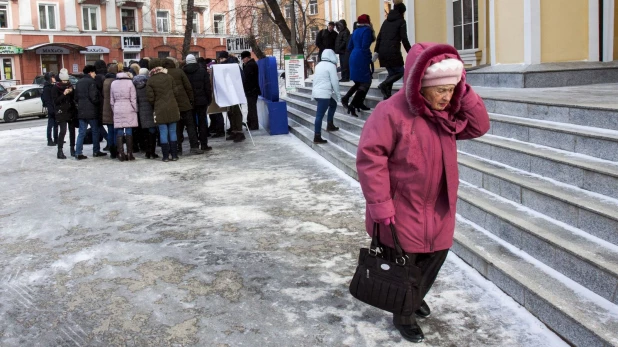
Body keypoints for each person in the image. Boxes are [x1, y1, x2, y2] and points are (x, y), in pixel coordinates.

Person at [356, 43, 490, 343]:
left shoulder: (448, 113)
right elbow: (370, 158)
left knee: (436, 254)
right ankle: (404, 313)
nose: (447, 96)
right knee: (406, 262)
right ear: (421, 85)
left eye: (452, 88)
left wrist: (464, 93)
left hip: (439, 206)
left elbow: (480, 126)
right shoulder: (390, 112)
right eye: (440, 89)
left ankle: (412, 297)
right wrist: (380, 204)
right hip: (402, 208)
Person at [163, 58, 203, 155]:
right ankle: (194, 146)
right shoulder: (180, 72)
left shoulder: (164, 74)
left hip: (172, 104)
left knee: (176, 127)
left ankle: (177, 147)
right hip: (185, 103)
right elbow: (188, 87)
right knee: (190, 126)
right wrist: (191, 100)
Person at [375, 0, 411, 100]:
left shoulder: (386, 21)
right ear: (402, 12)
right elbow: (404, 39)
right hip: (393, 51)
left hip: (383, 52)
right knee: (400, 72)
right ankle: (384, 84)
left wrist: (376, 51)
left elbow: (379, 37)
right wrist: (411, 52)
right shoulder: (401, 22)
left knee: (391, 73)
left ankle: (387, 97)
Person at [147, 58, 181, 162]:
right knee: (172, 131)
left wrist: (157, 103)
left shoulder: (150, 80)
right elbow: (176, 92)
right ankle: (174, 155)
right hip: (172, 107)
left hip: (159, 108)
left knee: (163, 132)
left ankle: (165, 156)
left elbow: (150, 98)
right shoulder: (169, 77)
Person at [343, 14, 375, 117]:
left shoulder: (355, 31)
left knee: (359, 82)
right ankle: (353, 104)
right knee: (366, 81)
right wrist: (369, 58)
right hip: (362, 57)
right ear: (367, 21)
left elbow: (349, 46)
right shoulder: (367, 30)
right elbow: (365, 46)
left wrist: (356, 53)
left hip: (353, 56)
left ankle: (349, 99)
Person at [74, 66, 107, 160]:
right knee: (95, 131)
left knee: (81, 132)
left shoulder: (78, 82)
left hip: (81, 111)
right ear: (90, 72)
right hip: (92, 111)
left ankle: (78, 152)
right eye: (94, 72)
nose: (95, 75)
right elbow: (94, 97)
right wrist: (98, 103)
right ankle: (96, 151)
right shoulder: (92, 83)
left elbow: (76, 97)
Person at [183, 54, 213, 151]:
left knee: (191, 124)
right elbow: (207, 87)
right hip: (202, 101)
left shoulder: (183, 72)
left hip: (189, 102)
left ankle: (194, 144)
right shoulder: (202, 71)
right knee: (202, 123)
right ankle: (204, 144)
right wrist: (209, 99)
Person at [311, 49, 341, 144]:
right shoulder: (331, 66)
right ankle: (317, 136)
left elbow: (315, 79)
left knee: (333, 104)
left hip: (317, 93)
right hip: (324, 95)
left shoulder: (318, 65)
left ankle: (330, 124)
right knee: (319, 115)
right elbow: (335, 82)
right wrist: (338, 96)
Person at [110, 71, 138, 161]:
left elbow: (111, 100)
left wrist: (115, 109)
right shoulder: (130, 83)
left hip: (118, 107)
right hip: (129, 107)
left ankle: (121, 154)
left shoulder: (113, 83)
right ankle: (130, 153)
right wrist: (135, 109)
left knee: (120, 130)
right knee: (129, 129)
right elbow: (133, 98)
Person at [218, 52, 246, 143]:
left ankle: (239, 133)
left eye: (222, 59)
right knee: (230, 112)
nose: (221, 60)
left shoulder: (233, 66)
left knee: (236, 112)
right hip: (229, 93)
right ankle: (234, 131)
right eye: (220, 59)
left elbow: (240, 78)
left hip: (235, 93)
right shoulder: (225, 66)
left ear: (226, 58)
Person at [133, 68, 159, 159]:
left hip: (141, 110)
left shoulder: (134, 84)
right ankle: (152, 152)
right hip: (150, 109)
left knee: (144, 131)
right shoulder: (149, 82)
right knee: (152, 131)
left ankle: (147, 151)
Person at [51, 71, 75, 159]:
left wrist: (72, 92)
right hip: (61, 112)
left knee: (72, 131)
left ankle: (73, 149)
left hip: (70, 111)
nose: (65, 82)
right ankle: (60, 151)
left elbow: (73, 98)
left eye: (66, 80)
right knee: (63, 131)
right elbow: (55, 101)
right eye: (63, 81)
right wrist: (64, 94)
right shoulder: (55, 88)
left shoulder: (70, 86)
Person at [205, 59, 226, 138]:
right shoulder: (212, 76)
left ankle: (220, 130)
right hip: (214, 98)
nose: (207, 71)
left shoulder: (215, 77)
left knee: (218, 114)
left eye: (208, 69)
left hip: (216, 98)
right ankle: (218, 129)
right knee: (215, 114)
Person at [240, 51, 261, 131]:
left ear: (247, 58)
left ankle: (253, 125)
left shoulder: (250, 65)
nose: (243, 60)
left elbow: (246, 78)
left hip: (251, 90)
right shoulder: (251, 64)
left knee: (252, 107)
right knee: (251, 107)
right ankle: (250, 123)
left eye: (243, 59)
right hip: (252, 89)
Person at [102, 63, 118, 158]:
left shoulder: (105, 81)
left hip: (106, 108)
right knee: (116, 131)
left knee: (110, 130)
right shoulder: (115, 81)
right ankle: (115, 149)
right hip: (115, 108)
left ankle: (111, 148)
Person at [41, 72, 58, 146]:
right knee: (50, 125)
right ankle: (49, 140)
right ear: (50, 78)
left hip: (55, 107)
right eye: (52, 77)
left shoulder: (53, 86)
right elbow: (47, 100)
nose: (54, 78)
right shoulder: (47, 88)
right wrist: (51, 109)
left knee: (56, 124)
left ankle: (56, 139)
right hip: (51, 108)